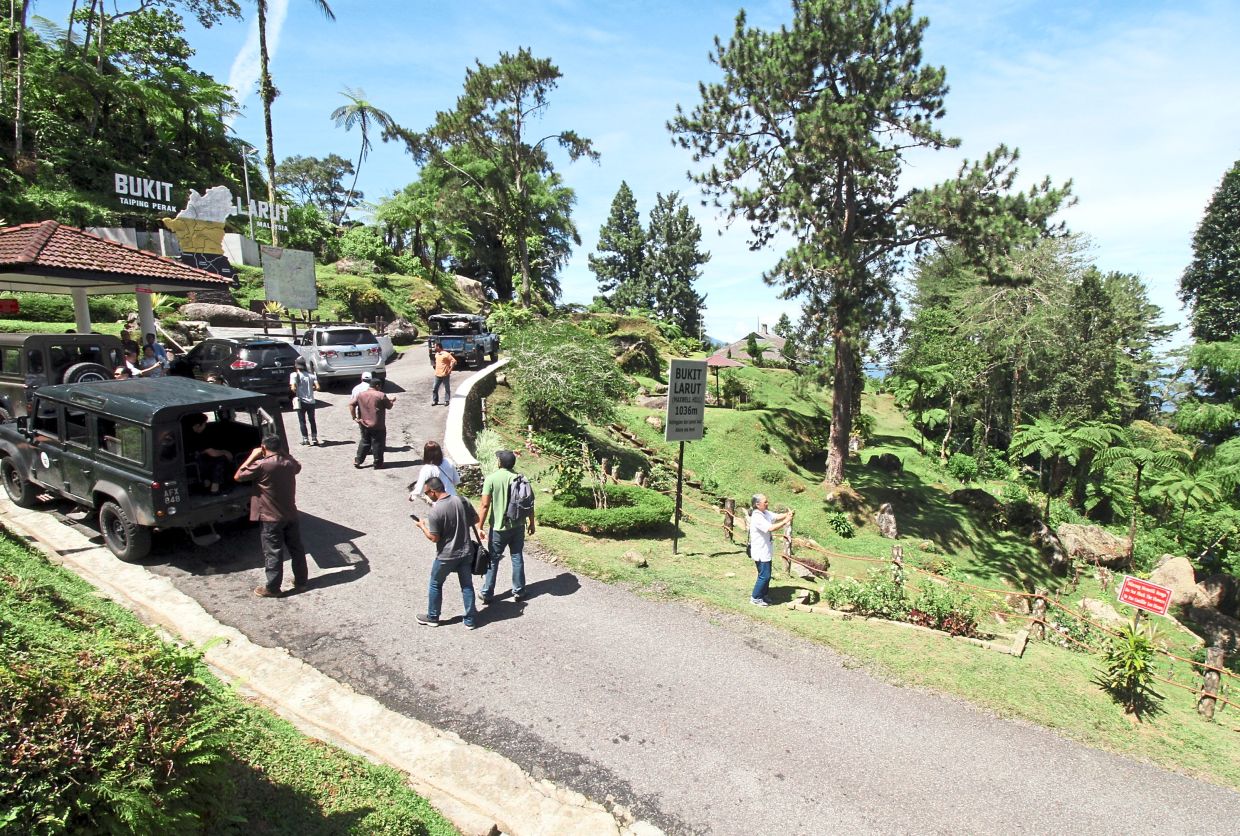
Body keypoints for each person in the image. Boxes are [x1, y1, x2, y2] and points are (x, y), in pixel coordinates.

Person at [234, 433, 307, 598]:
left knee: (273, 552)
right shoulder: (289, 463)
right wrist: (284, 453)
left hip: (271, 517)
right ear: (280, 448)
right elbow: (298, 466)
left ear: (263, 448)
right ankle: (302, 582)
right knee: (296, 549)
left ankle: (273, 588)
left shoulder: (262, 465)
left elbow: (238, 476)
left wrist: (252, 456)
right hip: (291, 514)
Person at [412, 476, 478, 629]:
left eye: (427, 492)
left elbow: (434, 538)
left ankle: (433, 617)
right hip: (466, 551)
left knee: (436, 583)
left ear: (434, 491)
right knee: (467, 586)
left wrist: (422, 526)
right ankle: (470, 620)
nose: (427, 495)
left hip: (446, 556)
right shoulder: (462, 500)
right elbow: (475, 519)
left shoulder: (436, 512)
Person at [476, 449, 534, 605]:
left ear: (500, 463)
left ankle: (487, 593)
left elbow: (485, 505)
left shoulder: (492, 479)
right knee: (517, 556)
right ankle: (519, 591)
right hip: (518, 525)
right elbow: (529, 503)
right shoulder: (521, 478)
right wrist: (532, 523)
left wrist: (479, 526)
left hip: (499, 528)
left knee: (493, 559)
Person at [747, 494, 794, 607]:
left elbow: (776, 516)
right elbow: (771, 528)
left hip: (766, 550)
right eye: (765, 502)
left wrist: (786, 514)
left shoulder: (765, 512)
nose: (767, 503)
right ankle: (755, 597)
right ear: (757, 505)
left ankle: (763, 595)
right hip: (760, 551)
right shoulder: (757, 516)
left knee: (765, 574)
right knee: (765, 576)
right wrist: (786, 521)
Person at [349, 375, 395, 469]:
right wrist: (392, 401)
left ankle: (358, 460)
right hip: (377, 424)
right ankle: (378, 464)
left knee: (365, 442)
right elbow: (389, 406)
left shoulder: (360, 394)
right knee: (378, 443)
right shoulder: (381, 395)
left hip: (364, 423)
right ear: (377, 386)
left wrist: (354, 417)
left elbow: (351, 404)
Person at [184, 412, 233, 494]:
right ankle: (215, 488)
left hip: (191, 462)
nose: (205, 426)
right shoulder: (191, 436)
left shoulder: (187, 433)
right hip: (190, 465)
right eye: (204, 424)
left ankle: (207, 483)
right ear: (197, 425)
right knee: (220, 458)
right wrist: (225, 452)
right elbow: (211, 452)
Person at [289, 357, 320, 446]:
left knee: (302, 421)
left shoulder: (294, 375)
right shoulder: (311, 375)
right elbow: (317, 387)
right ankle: (314, 438)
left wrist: (296, 390)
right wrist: (310, 389)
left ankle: (305, 439)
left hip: (301, 402)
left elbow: (293, 388)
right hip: (311, 401)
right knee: (312, 420)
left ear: (296, 366)